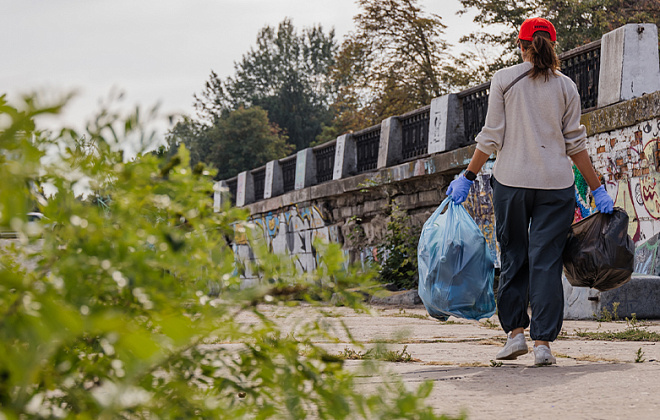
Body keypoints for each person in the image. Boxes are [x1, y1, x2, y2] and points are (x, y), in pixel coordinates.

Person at [446, 17, 614, 366]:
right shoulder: (566, 86)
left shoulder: (504, 80)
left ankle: (515, 335)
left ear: (520, 45)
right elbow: (576, 145)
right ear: (554, 46)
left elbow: (490, 137)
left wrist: (468, 175)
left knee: (513, 256)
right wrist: (598, 190)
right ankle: (543, 346)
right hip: (557, 185)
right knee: (547, 262)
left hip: (511, 183)